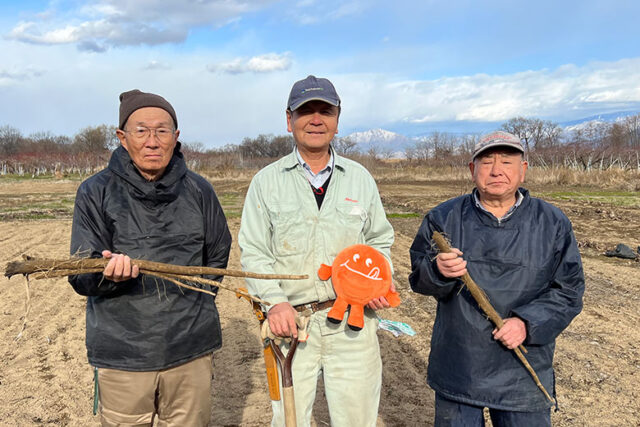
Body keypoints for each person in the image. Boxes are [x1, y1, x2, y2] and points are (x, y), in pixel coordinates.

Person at [238, 75, 395, 426]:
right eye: (305, 111)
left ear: (337, 119)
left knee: (357, 419)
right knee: (288, 420)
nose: (315, 119)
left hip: (353, 326)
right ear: (289, 119)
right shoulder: (267, 181)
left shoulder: (359, 178)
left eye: (325, 111)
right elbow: (253, 250)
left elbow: (379, 241)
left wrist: (378, 283)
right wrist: (274, 302)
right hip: (290, 324)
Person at [69, 89, 232, 426]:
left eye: (162, 131)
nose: (152, 141)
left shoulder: (200, 190)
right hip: (122, 352)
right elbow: (81, 271)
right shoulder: (95, 191)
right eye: (141, 130)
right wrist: (107, 276)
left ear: (176, 137)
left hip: (190, 348)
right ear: (122, 138)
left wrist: (193, 308)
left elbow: (217, 256)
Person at [408, 130, 585, 426]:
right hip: (460, 365)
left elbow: (569, 290)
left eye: (506, 161)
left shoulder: (552, 223)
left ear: (523, 170)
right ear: (472, 170)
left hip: (524, 368)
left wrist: (527, 323)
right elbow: (418, 278)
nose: (496, 170)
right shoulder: (443, 218)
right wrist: (437, 270)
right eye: (487, 161)